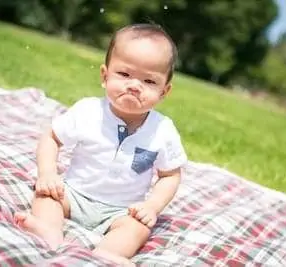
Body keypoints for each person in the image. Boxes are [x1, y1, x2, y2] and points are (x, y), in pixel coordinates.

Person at [14, 23, 187, 266]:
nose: (135, 85)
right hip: (72, 194)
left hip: (122, 210)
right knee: (45, 196)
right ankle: (48, 231)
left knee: (138, 228)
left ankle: (110, 252)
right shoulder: (88, 111)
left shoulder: (163, 131)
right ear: (105, 76)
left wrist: (152, 206)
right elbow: (51, 138)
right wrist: (48, 173)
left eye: (149, 81)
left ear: (164, 91)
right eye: (124, 74)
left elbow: (170, 175)